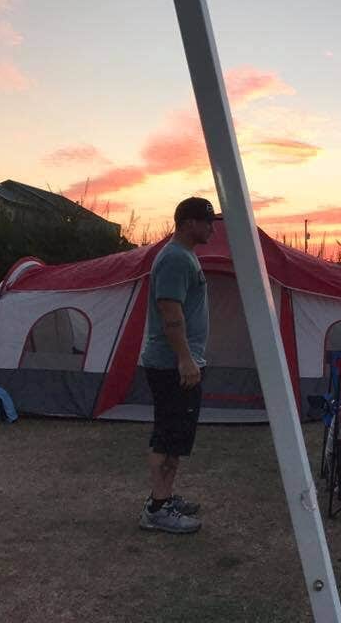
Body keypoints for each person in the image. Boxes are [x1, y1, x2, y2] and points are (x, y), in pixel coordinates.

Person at [138, 197, 219, 534]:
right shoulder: (174, 259)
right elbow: (170, 313)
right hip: (172, 364)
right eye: (208, 221)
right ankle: (157, 510)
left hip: (180, 362)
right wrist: (185, 360)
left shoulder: (184, 257)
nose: (213, 228)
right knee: (168, 436)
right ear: (189, 223)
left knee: (176, 436)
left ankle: (165, 497)